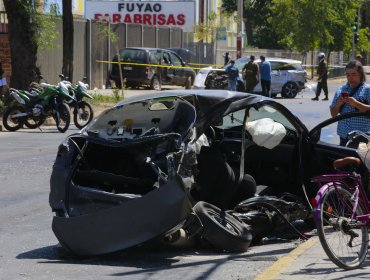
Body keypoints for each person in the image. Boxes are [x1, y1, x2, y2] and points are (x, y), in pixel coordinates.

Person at [330, 60, 370, 146]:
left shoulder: (367, 90)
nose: (350, 78)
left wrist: (356, 104)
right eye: (348, 75)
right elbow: (333, 114)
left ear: (361, 74)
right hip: (343, 136)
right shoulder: (341, 89)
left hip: (362, 137)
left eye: (353, 74)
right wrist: (338, 104)